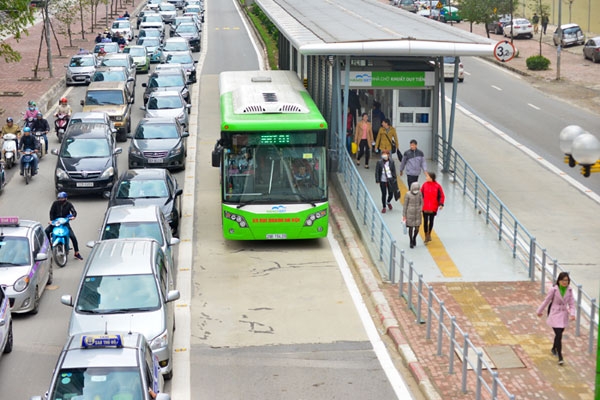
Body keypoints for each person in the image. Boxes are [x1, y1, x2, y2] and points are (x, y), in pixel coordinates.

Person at [536, 272, 575, 365]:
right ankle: (560, 357)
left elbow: (572, 304)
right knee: (559, 335)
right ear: (559, 280)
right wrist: (539, 311)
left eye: (567, 280)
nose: (565, 282)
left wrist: (572, 314)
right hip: (554, 313)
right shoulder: (554, 290)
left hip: (563, 314)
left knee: (559, 334)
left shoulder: (569, 290)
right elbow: (546, 301)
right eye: (563, 280)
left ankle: (554, 348)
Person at [44, 192, 83, 261]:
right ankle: (49, 244)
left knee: (73, 237)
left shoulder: (69, 204)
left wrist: (73, 216)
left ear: (66, 198)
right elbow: (51, 212)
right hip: (56, 222)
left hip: (65, 223)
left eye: (62, 198)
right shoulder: (55, 203)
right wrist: (52, 221)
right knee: (46, 231)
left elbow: (74, 212)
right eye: (60, 198)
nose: (61, 200)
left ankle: (76, 253)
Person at [420, 172, 444, 243]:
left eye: (427, 177)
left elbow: (441, 196)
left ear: (431, 178)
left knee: (431, 221)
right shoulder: (424, 185)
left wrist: (441, 204)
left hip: (433, 207)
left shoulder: (437, 186)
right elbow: (421, 194)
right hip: (425, 207)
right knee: (425, 221)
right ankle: (426, 235)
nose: (426, 178)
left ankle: (429, 233)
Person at [403, 182, 423, 248]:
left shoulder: (419, 193)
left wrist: (420, 209)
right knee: (411, 228)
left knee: (417, 228)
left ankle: (414, 237)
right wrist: (404, 215)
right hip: (410, 213)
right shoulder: (407, 194)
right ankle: (411, 240)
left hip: (417, 213)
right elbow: (405, 205)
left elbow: (422, 202)